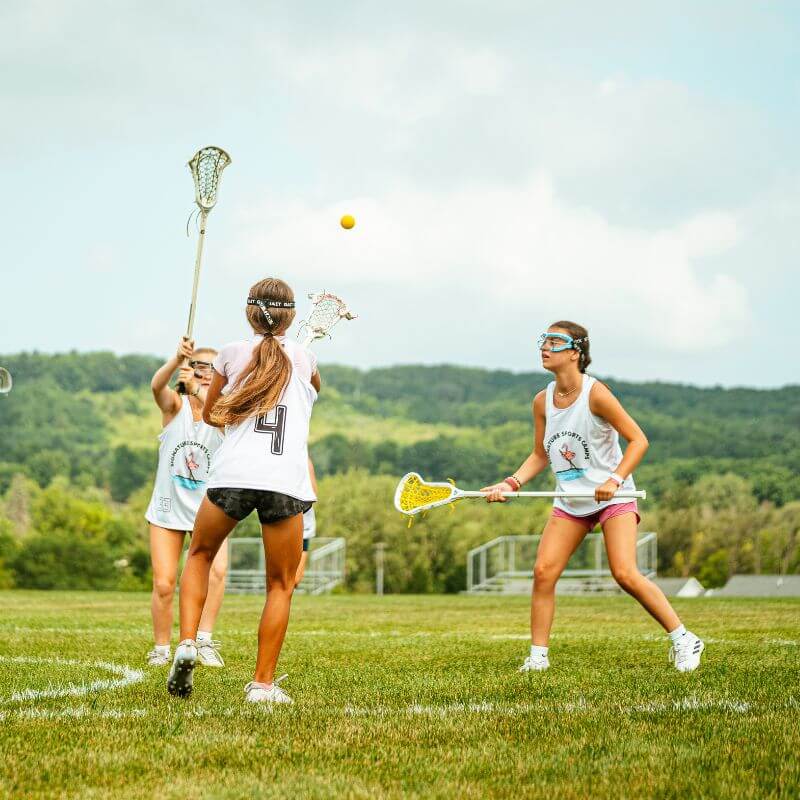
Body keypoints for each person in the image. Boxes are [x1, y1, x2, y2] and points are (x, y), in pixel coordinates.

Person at [482, 321, 704, 673]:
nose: (544, 347)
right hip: (571, 501)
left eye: (554, 342)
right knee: (543, 572)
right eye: (544, 340)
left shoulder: (596, 394)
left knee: (624, 573)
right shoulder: (542, 401)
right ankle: (538, 658)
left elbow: (639, 440)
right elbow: (540, 453)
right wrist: (511, 483)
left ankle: (684, 638)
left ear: (575, 352)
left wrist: (615, 479)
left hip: (613, 497)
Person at [167, 277, 320, 704]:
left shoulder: (230, 354)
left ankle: (187, 643)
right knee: (279, 584)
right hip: (284, 482)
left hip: (232, 475)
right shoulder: (306, 358)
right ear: (290, 316)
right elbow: (313, 389)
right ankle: (262, 684)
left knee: (198, 555)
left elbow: (213, 414)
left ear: (248, 313)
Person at [144, 338, 227, 668]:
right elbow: (156, 385)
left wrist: (197, 387)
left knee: (217, 572)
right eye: (200, 366)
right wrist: (175, 358)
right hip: (167, 508)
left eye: (214, 369)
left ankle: (202, 641)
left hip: (209, 510)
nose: (207, 374)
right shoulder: (173, 409)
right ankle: (161, 648)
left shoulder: (223, 413)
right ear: (188, 370)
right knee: (164, 583)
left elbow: (217, 412)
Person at [295, 459, 318, 589]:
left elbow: (313, 494)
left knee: (294, 578)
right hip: (291, 515)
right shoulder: (305, 461)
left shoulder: (305, 460)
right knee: (288, 578)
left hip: (302, 516)